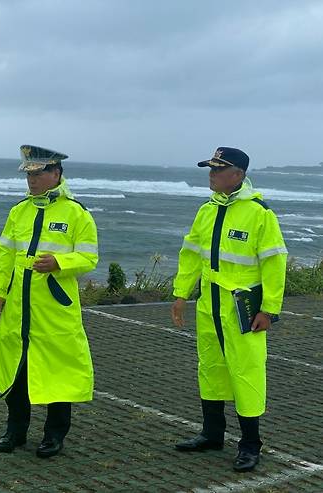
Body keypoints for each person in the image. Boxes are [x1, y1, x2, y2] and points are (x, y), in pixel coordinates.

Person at [171, 147, 288, 473]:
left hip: (243, 309)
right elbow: (191, 254)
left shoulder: (259, 214)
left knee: (246, 373)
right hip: (209, 306)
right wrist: (181, 293)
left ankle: (251, 445)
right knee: (210, 368)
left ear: (237, 175)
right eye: (210, 169)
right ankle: (212, 434)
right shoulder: (206, 210)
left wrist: (270, 310)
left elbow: (274, 264)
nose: (211, 175)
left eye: (218, 170)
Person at [0, 145, 98, 458]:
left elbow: (89, 257)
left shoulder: (77, 213)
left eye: (39, 174)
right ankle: (15, 430)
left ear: (56, 174)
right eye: (29, 174)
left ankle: (54, 435)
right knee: (16, 370)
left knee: (58, 371)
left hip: (54, 308)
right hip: (18, 307)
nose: (32, 180)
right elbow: (4, 255)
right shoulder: (19, 211)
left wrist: (61, 263)